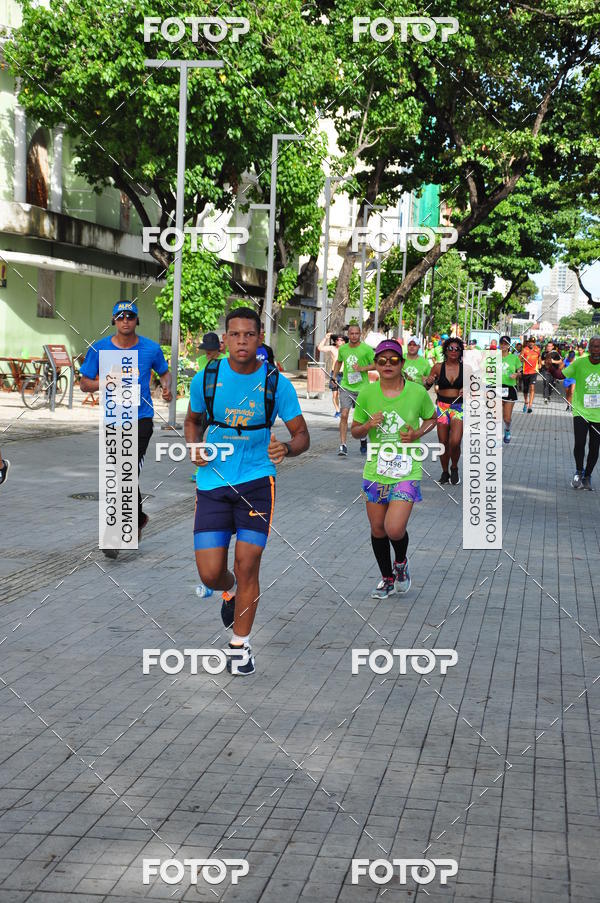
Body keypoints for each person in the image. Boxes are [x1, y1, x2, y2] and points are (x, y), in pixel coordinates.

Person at [184, 306, 309, 675]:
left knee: (248, 563)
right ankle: (229, 589)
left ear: (258, 339)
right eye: (235, 334)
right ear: (225, 340)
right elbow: (192, 421)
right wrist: (194, 447)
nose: (242, 340)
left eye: (249, 335)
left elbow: (302, 434)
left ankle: (239, 646)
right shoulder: (206, 378)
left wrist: (286, 447)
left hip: (257, 482)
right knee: (210, 573)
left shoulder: (276, 384)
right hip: (212, 483)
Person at [79, 300, 172, 557]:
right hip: (113, 421)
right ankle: (138, 517)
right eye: (120, 317)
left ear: (136, 320)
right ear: (114, 321)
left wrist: (166, 387)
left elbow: (164, 372)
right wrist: (108, 382)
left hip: (140, 420)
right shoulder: (99, 349)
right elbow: (84, 384)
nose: (125, 320)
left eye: (130, 316)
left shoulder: (151, 349)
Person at [351, 339, 437, 598]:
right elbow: (355, 431)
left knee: (394, 529)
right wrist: (367, 427)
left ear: (402, 363)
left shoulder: (417, 392)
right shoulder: (367, 393)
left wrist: (418, 433)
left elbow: (432, 418)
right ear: (375, 364)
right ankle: (387, 578)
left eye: (393, 360)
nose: (387, 365)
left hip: (406, 470)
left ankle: (400, 562)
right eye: (382, 360)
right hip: (375, 470)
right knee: (378, 528)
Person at [556, 336, 600, 490]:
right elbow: (562, 375)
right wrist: (551, 367)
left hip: (598, 414)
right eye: (593, 347)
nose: (596, 350)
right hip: (580, 410)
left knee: (595, 447)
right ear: (589, 348)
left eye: (599, 347)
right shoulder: (580, 362)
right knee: (579, 443)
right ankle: (578, 471)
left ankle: (587, 476)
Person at [332, 321, 376, 456]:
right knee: (344, 414)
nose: (354, 336)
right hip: (346, 386)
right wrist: (334, 376)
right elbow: (339, 361)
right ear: (348, 334)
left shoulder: (367, 349)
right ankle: (343, 445)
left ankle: (363, 439)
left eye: (357, 333)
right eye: (352, 333)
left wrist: (362, 368)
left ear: (360, 334)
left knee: (361, 418)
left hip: (363, 388)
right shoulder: (343, 349)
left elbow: (376, 364)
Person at [424, 337, 464, 485]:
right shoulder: (438, 367)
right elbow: (427, 387)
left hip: (458, 408)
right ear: (445, 350)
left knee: (455, 441)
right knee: (443, 442)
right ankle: (445, 472)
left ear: (461, 352)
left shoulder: (466, 368)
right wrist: (428, 381)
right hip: (442, 407)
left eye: (457, 349)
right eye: (450, 348)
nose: (453, 351)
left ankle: (454, 467)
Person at [499, 336, 521, 444]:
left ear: (509, 345)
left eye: (506, 343)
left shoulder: (514, 358)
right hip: (496, 387)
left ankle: (507, 429)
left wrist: (516, 374)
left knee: (506, 418)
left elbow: (520, 371)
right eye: (502, 343)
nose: (503, 345)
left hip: (510, 388)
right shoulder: (493, 357)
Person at [317, 332, 346, 417]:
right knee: (335, 394)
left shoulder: (347, 349)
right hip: (335, 374)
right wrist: (326, 338)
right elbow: (320, 348)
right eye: (337, 340)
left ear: (344, 341)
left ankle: (343, 410)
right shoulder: (332, 348)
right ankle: (337, 411)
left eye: (341, 340)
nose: (339, 341)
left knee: (343, 394)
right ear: (335, 341)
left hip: (344, 374)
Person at [520, 336, 540, 413]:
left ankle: (530, 406)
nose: (531, 343)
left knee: (532, 388)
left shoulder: (537, 349)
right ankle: (526, 402)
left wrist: (540, 364)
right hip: (525, 372)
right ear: (528, 342)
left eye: (533, 342)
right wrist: (524, 358)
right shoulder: (524, 350)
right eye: (530, 342)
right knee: (525, 389)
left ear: (534, 343)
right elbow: (520, 358)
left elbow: (539, 357)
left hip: (533, 372)